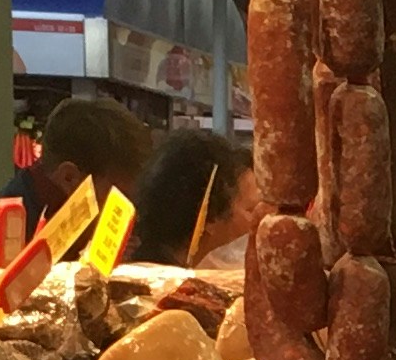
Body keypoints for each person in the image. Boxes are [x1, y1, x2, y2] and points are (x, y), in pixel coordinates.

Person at [24, 94, 156, 235]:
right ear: (69, 178)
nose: (131, 217)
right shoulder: (17, 232)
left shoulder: (47, 203)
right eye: (121, 200)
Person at [127, 126, 251, 268]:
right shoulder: (167, 280)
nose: (261, 219)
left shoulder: (139, 264)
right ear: (209, 216)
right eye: (251, 209)